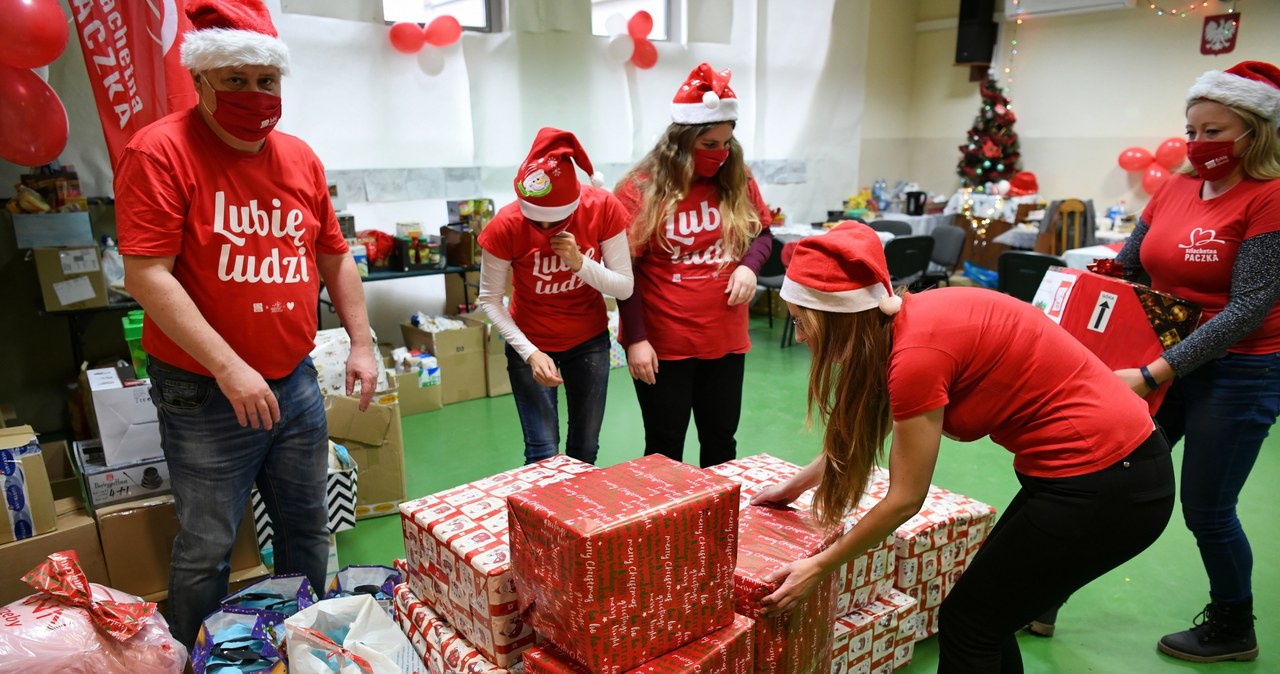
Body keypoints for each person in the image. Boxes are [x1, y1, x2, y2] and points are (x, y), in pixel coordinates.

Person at [750, 222, 1175, 672]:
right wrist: (793, 487)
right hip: (1098, 472)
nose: (798, 337)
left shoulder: (916, 354)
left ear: (839, 317)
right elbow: (864, 432)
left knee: (970, 623)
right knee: (986, 620)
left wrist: (819, 568)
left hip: (1110, 484)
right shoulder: (901, 320)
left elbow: (905, 499)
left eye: (802, 322)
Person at [115, 0, 377, 649]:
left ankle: (300, 644)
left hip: (293, 382)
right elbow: (147, 274)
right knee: (207, 544)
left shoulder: (300, 159)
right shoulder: (160, 152)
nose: (253, 95)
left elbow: (334, 257)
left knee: (306, 529)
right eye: (234, 79)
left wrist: (365, 343)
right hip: (204, 391)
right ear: (200, 80)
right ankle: (187, 658)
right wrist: (230, 367)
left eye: (266, 80)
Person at [1108, 60, 1280, 663]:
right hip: (1165, 358)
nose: (1200, 144)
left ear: (1255, 132)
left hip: (1240, 369)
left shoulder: (1270, 197)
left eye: (1215, 131)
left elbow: (1250, 308)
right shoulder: (1174, 187)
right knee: (1107, 479)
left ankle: (1234, 625)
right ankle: (1046, 591)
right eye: (1193, 130)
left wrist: (1157, 373)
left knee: (1207, 508)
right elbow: (1129, 263)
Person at [615, 63, 774, 468]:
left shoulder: (736, 178)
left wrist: (749, 267)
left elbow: (763, 234)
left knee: (721, 443)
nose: (720, 155)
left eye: (727, 143)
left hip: (725, 339)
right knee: (664, 446)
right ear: (681, 141)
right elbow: (624, 271)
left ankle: (715, 529)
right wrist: (635, 337)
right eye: (709, 145)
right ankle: (667, 531)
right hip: (665, 344)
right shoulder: (640, 188)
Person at [476, 128, 634, 465]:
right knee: (542, 452)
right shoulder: (505, 224)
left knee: (585, 449)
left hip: (588, 341)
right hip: (530, 340)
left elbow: (623, 286)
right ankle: (541, 519)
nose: (545, 232)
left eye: (556, 222)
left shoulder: (603, 207)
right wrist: (531, 353)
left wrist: (580, 264)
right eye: (536, 221)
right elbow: (489, 299)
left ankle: (574, 519)